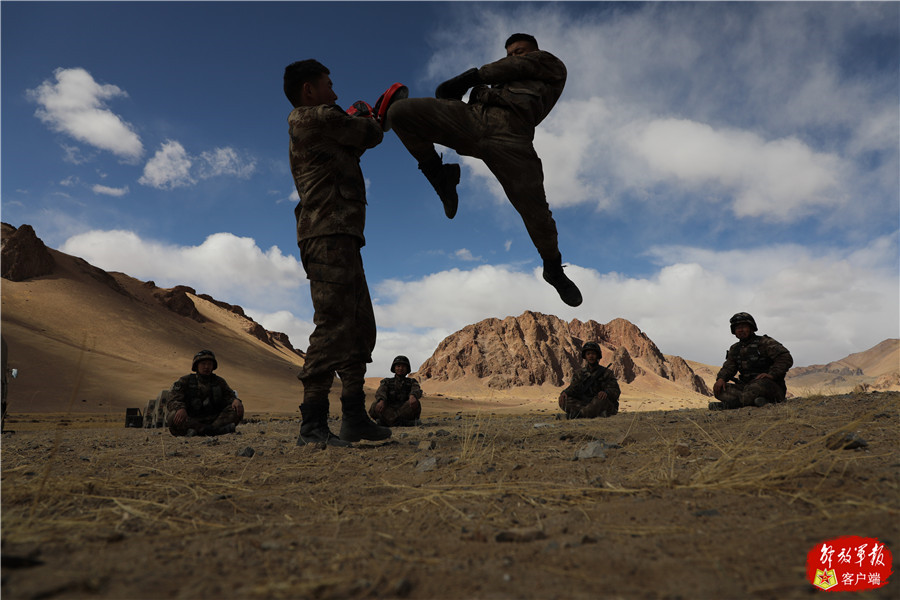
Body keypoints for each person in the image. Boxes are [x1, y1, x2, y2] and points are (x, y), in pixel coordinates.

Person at [387, 33, 582, 307]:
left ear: (534, 51)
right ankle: (439, 175)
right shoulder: (498, 82)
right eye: (510, 52)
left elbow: (518, 67)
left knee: (536, 212)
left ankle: (553, 268)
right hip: (473, 120)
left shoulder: (550, 65)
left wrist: (470, 78)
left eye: (520, 51)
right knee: (400, 113)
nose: (515, 56)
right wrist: (469, 94)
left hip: (513, 138)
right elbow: (500, 77)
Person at [284, 58, 392, 446]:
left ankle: (353, 416)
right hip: (325, 234)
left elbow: (356, 142)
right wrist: (373, 119)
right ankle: (312, 424)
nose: (336, 92)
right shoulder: (308, 117)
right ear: (309, 90)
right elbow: (366, 134)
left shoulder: (325, 129)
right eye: (329, 85)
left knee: (359, 325)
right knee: (333, 324)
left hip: (343, 237)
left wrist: (368, 123)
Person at [709, 312, 794, 410]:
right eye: (737, 328)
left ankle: (728, 406)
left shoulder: (765, 342)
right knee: (721, 390)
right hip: (746, 387)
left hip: (769, 386)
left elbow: (785, 357)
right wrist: (721, 379)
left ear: (751, 327)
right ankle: (759, 402)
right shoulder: (735, 348)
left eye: (744, 326)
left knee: (756, 387)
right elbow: (729, 367)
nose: (741, 330)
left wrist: (772, 375)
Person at [166, 350, 244, 437]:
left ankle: (205, 431)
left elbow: (230, 396)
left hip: (215, 420)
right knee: (173, 415)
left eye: (209, 364)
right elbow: (172, 400)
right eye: (203, 363)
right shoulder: (185, 381)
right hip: (192, 420)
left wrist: (235, 400)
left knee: (237, 408)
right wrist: (180, 408)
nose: (206, 367)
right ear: (196, 366)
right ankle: (213, 431)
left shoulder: (219, 382)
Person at [558, 342, 620, 418]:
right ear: (585, 356)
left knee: (600, 400)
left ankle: (578, 415)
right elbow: (573, 388)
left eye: (593, 354)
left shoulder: (606, 373)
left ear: (597, 355)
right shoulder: (579, 373)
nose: (591, 356)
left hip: (600, 403)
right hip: (585, 403)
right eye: (588, 354)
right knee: (564, 400)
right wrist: (565, 393)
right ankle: (586, 413)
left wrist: (606, 392)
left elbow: (616, 391)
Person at [369, 355, 423, 426]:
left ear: (407, 369)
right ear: (394, 368)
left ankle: (388, 422)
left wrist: (413, 396)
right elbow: (381, 391)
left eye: (403, 366)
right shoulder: (387, 381)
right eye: (398, 366)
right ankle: (404, 423)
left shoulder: (412, 381)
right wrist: (381, 400)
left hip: (404, 410)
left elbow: (416, 389)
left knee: (415, 403)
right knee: (375, 404)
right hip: (389, 410)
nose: (401, 368)